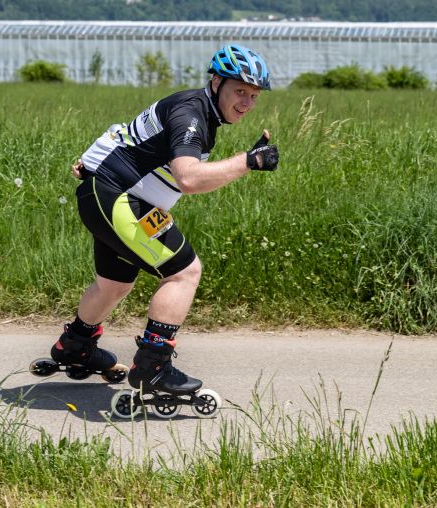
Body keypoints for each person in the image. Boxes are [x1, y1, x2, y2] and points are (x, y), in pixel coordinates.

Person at [47, 44, 279, 395]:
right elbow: (188, 177)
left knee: (114, 284)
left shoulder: (196, 108)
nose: (247, 103)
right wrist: (248, 161)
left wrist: (91, 163)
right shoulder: (192, 115)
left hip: (108, 195)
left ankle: (76, 346)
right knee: (184, 272)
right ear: (216, 83)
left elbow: (124, 136)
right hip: (120, 199)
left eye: (254, 95)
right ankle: (153, 366)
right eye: (240, 92)